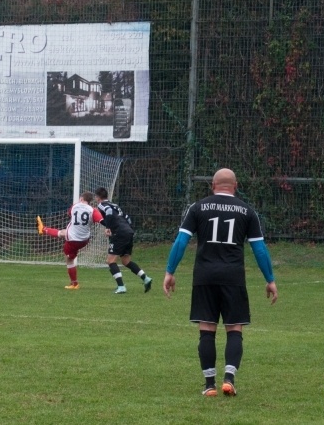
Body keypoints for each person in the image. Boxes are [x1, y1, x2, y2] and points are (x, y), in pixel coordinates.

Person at [163, 168, 277, 397]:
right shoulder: (247, 211)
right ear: (235, 186)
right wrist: (270, 280)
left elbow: (181, 242)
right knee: (234, 329)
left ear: (213, 186)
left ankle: (209, 386)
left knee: (207, 330)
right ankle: (229, 379)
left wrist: (170, 271)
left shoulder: (197, 208)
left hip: (204, 277)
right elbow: (259, 249)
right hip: (233, 277)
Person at [36, 192, 103, 290]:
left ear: (81, 199)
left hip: (73, 240)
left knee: (69, 259)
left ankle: (74, 284)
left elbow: (69, 213)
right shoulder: (93, 210)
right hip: (84, 239)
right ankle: (43, 229)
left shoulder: (75, 206)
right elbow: (101, 220)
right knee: (64, 232)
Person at [94, 187, 152, 294]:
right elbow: (127, 217)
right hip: (128, 232)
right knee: (126, 261)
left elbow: (109, 212)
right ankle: (146, 278)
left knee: (111, 261)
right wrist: (128, 229)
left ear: (98, 197)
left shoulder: (102, 205)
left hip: (119, 233)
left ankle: (121, 287)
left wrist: (108, 227)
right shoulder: (115, 205)